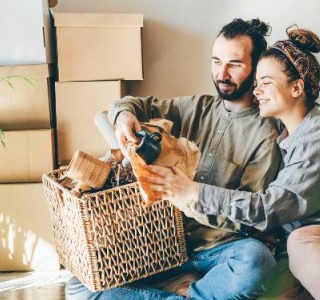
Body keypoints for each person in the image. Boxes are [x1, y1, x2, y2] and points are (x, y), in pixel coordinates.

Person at [146, 26, 320, 300]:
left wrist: (192, 191)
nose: (256, 91)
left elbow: (267, 208)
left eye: (265, 82)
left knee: (296, 246)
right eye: (256, 83)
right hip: (299, 244)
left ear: (296, 87)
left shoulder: (317, 142)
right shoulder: (288, 132)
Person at [65, 18, 283, 300]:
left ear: (256, 68)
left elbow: (247, 216)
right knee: (77, 285)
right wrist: (124, 116)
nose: (222, 73)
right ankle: (188, 295)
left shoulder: (266, 135)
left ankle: (176, 291)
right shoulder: (197, 107)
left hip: (220, 249)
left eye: (234, 64)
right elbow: (131, 103)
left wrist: (186, 195)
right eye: (216, 61)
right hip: (160, 246)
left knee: (258, 263)